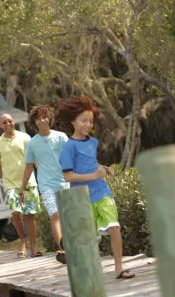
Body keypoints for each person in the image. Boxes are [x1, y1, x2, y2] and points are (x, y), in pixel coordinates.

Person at [56, 95, 135, 280]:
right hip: (82, 198)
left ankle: (119, 268)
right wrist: (93, 175)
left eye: (90, 121)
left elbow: (91, 164)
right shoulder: (68, 148)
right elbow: (67, 176)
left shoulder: (93, 142)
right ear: (73, 121)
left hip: (102, 191)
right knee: (91, 239)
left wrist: (104, 169)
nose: (87, 124)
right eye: (83, 120)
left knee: (114, 227)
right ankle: (80, 265)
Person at [20, 105, 70, 264]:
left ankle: (74, 245)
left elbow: (70, 157)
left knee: (69, 216)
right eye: (38, 118)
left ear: (50, 118)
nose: (42, 120)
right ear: (34, 121)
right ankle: (63, 249)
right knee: (54, 215)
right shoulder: (32, 143)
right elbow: (29, 166)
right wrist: (22, 189)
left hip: (65, 182)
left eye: (44, 117)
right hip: (46, 184)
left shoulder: (61, 137)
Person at [0, 114, 41, 258]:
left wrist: (41, 176)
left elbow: (34, 158)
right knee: (16, 213)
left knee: (31, 214)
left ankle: (33, 246)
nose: (8, 124)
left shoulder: (25, 137)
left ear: (14, 122)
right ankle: (22, 241)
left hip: (29, 182)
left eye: (10, 121)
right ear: (1, 126)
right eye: (4, 122)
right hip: (10, 184)